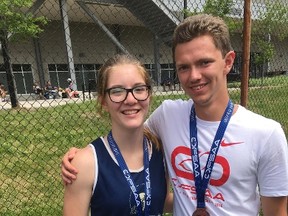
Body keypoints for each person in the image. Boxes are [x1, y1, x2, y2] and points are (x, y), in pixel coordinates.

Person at [61, 14, 288, 215]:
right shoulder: (168, 116)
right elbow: (127, 133)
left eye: (204, 62)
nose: (194, 75)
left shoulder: (266, 134)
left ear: (228, 61)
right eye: (184, 67)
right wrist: (81, 157)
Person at [63, 54, 173, 216]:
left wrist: (207, 195)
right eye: (117, 91)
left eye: (139, 89)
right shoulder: (86, 163)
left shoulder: (160, 150)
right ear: (103, 101)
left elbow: (159, 201)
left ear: (149, 95)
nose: (130, 99)